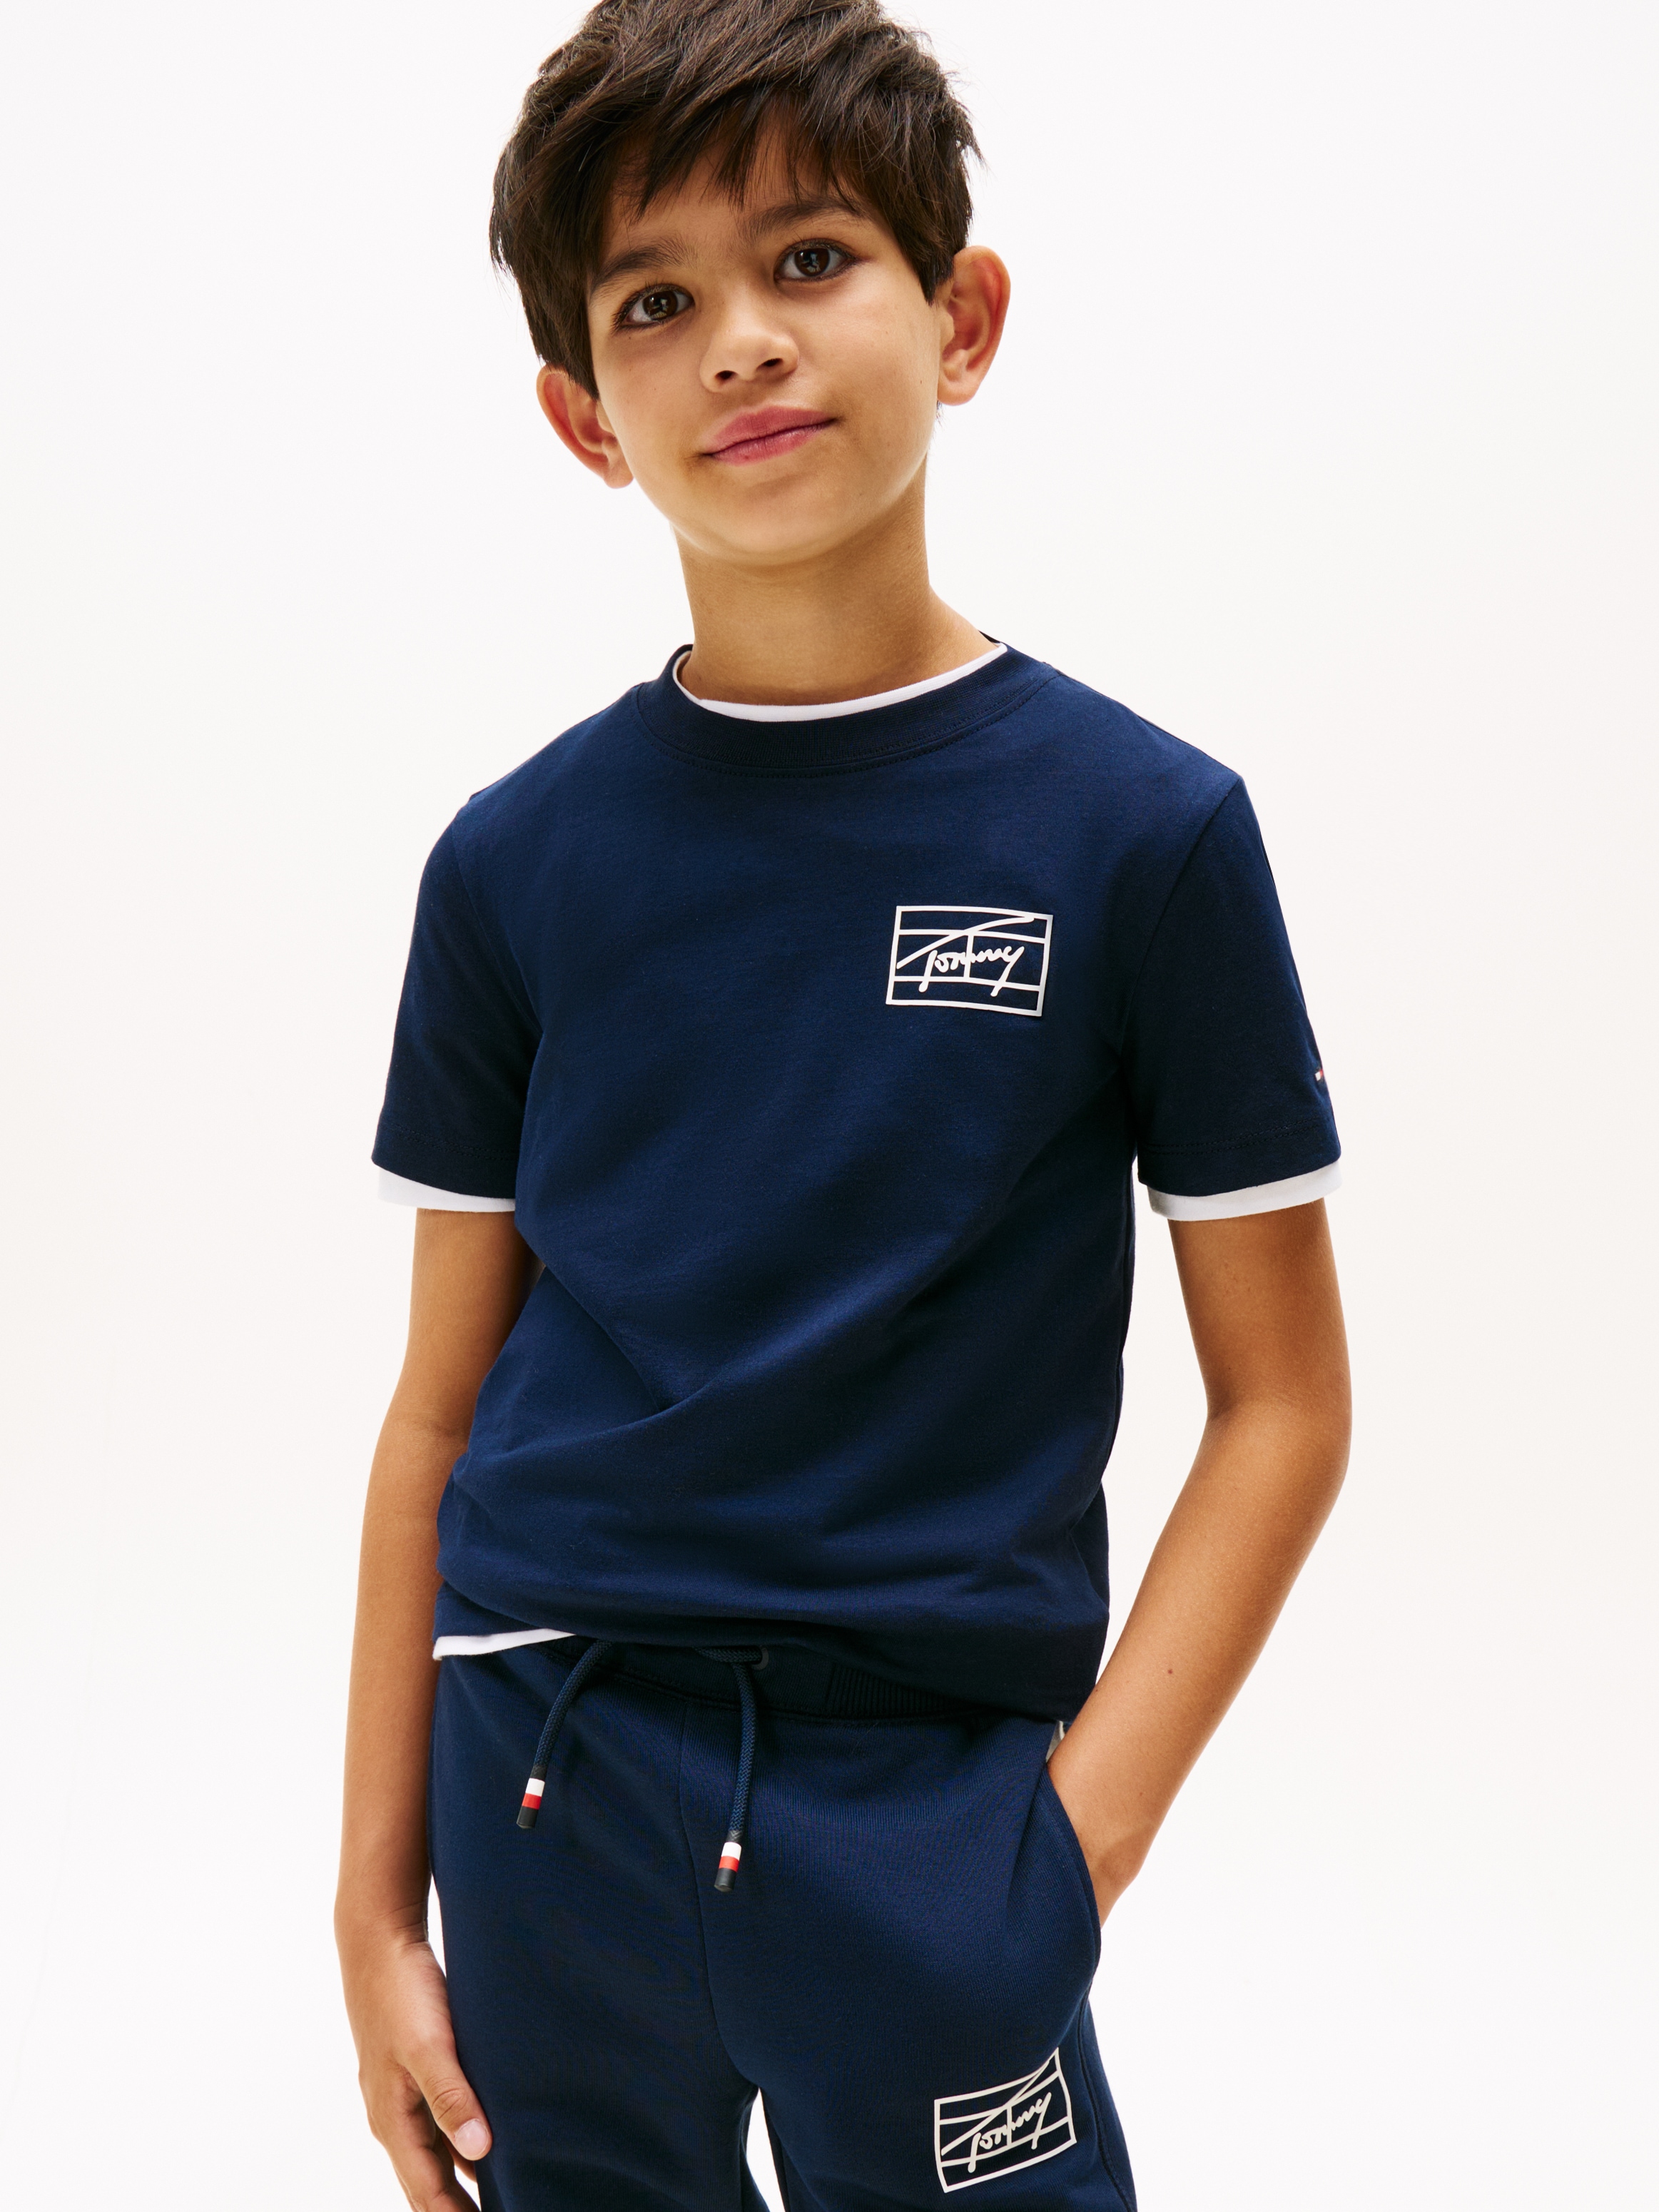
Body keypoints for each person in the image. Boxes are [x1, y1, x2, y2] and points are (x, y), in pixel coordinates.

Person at [335, 3, 1352, 2206]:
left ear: (961, 317)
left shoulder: (1145, 836)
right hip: (544, 1780)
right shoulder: (513, 864)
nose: (739, 342)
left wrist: (1067, 1852)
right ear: (585, 417)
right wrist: (371, 1910)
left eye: (810, 258)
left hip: (931, 1816)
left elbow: (1286, 1399)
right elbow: (437, 1409)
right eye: (654, 302)